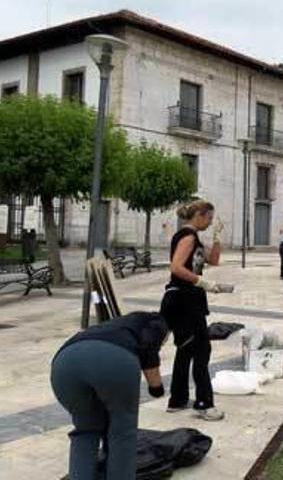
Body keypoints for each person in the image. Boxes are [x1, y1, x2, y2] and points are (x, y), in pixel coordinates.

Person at [51, 312, 169, 479]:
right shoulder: (158, 322)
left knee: (86, 429)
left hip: (64, 365)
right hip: (114, 360)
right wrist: (156, 388)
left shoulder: (116, 325)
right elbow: (149, 352)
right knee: (122, 430)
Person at [161, 199, 225, 421]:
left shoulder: (195, 238)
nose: (209, 222)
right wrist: (202, 282)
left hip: (190, 299)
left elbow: (214, 260)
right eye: (209, 219)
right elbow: (176, 267)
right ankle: (204, 403)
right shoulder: (187, 237)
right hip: (183, 300)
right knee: (201, 350)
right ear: (199, 215)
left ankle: (177, 400)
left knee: (186, 349)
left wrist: (217, 236)